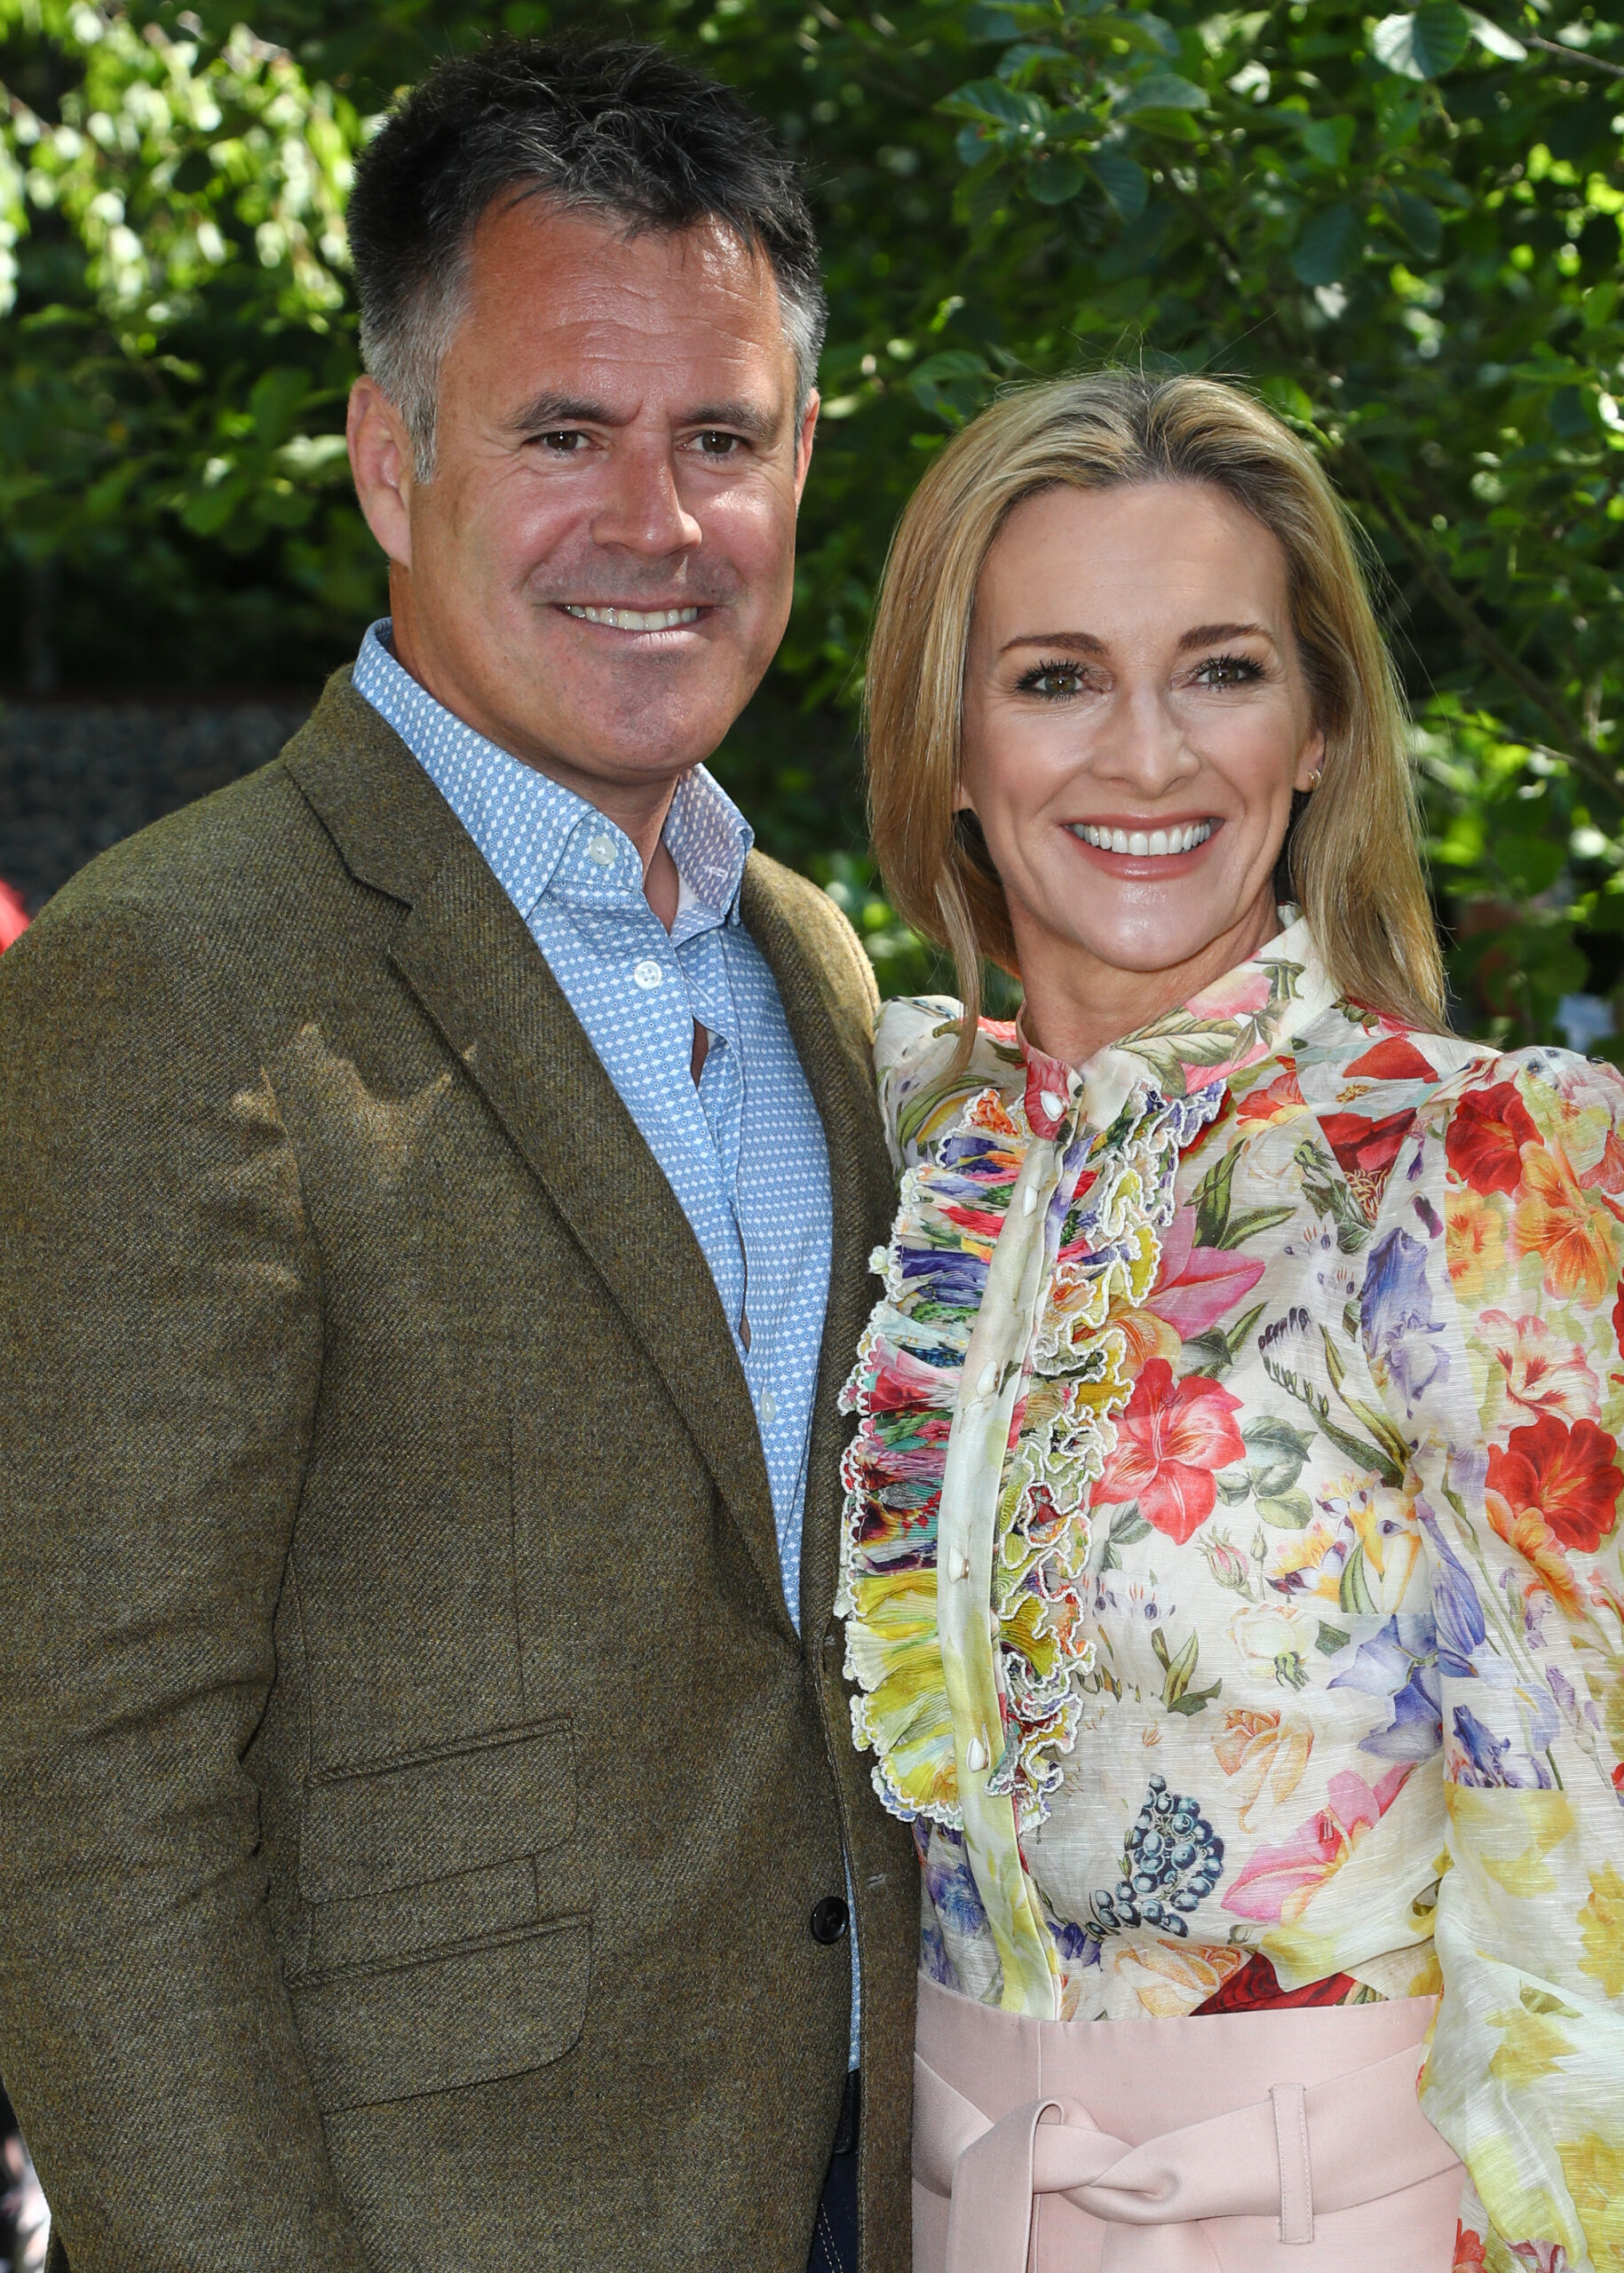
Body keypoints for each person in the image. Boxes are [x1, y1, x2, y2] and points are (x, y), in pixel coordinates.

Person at [0, 42, 917, 2273]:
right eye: (563, 432)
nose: (654, 518)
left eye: (719, 437)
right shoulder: (172, 976)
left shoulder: (811, 961)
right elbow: (81, 1787)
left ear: (800, 466)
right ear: (391, 459)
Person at [843, 368, 1624, 2271]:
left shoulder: (1477, 1163)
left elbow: (1589, 1895)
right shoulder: (907, 1137)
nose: (1145, 756)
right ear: (947, 742)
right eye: (1053, 677)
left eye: (1218, 669)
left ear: (1319, 732)